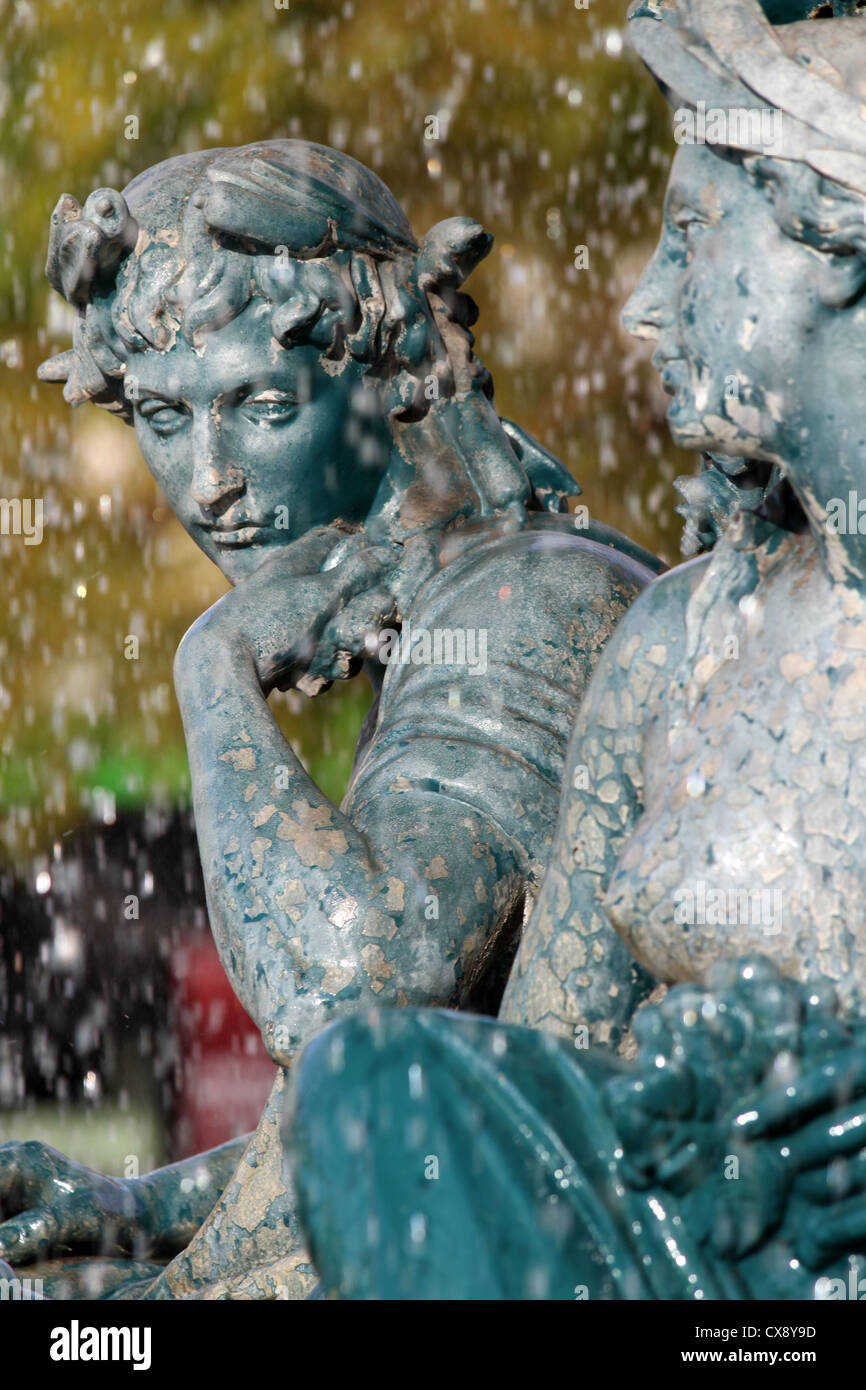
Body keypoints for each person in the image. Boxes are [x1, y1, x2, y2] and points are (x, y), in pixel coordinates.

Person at [0, 139, 660, 1297]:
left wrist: (211, 678)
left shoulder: (526, 603)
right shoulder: (437, 606)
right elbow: (426, 1099)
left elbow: (353, 997)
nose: (207, 481)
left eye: (260, 405)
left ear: (385, 377)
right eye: (160, 414)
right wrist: (135, 1205)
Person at [287, 0, 866, 1299]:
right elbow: (540, 1081)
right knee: (380, 1074)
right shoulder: (675, 647)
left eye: (692, 237)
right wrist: (153, 1212)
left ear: (833, 244)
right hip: (676, 1255)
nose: (646, 304)